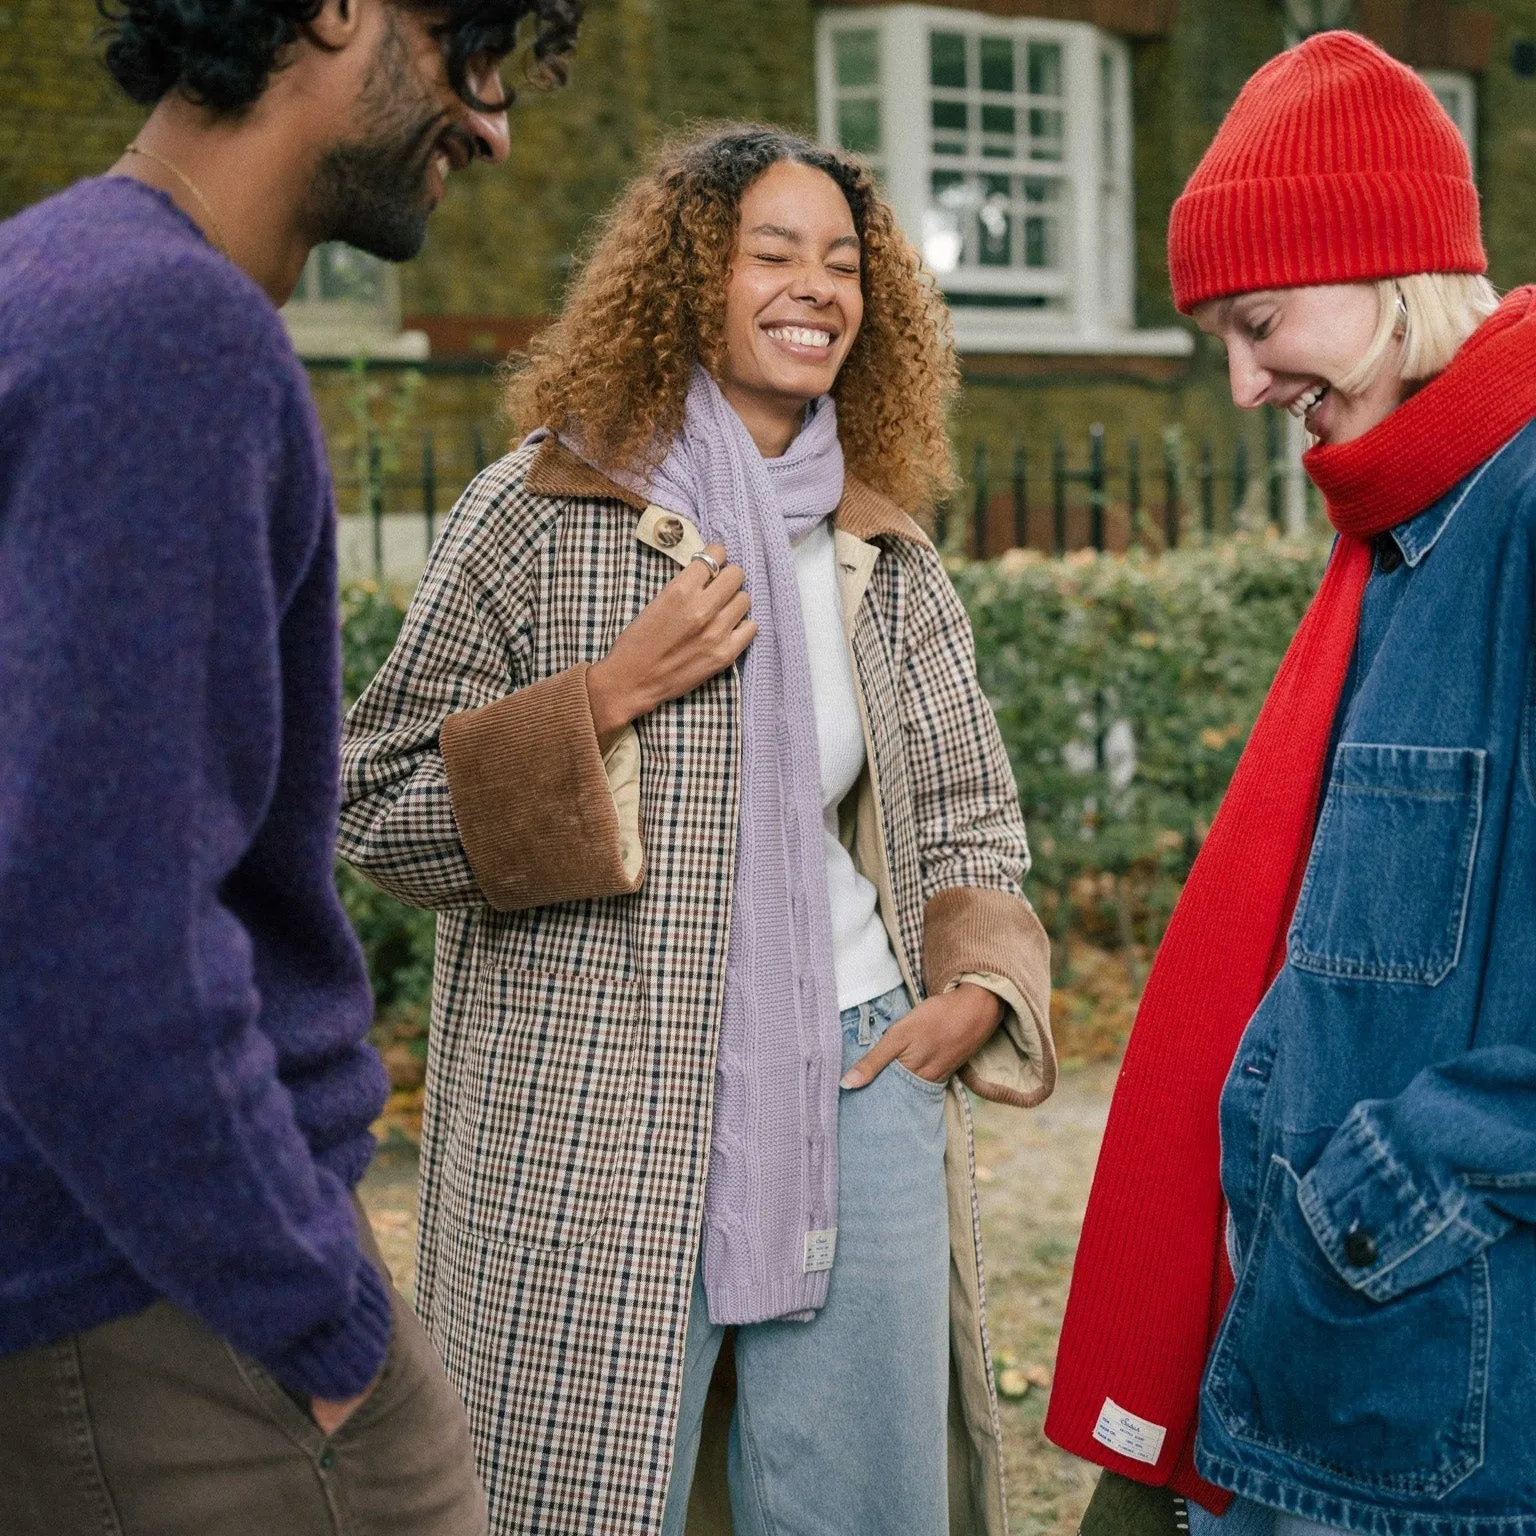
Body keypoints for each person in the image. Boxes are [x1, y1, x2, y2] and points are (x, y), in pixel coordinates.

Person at [337, 124, 1055, 1536]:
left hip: (858, 1084)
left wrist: (972, 994)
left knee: (864, 1511)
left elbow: (971, 814)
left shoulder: (883, 548)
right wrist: (607, 694)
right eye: (771, 253)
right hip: (593, 1102)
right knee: (575, 1505)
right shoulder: (539, 516)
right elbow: (372, 806)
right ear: (687, 283)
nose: (815, 287)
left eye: (844, 263)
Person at [0, 2, 580, 1532]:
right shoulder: (166, 333)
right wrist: (315, 1316)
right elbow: (92, 931)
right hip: (177, 1315)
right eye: (476, 48)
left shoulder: (44, 276)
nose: (498, 121)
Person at [1045, 30, 1536, 1536]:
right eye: (1221, 343)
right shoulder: (1408, 525)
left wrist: (1370, 1193)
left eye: (1262, 323)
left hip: (1426, 1368)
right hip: (1322, 1343)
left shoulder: (1513, 513)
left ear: (1389, 272)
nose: (1248, 383)